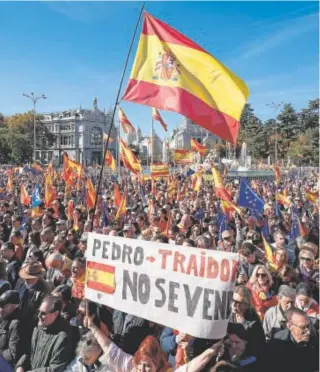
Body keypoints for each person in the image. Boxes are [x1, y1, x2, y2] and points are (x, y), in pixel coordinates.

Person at [15, 295, 73, 372]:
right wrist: (20, 366)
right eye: (39, 311)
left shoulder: (64, 337)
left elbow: (55, 368)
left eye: (43, 313)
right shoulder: (38, 327)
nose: (39, 316)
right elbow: (29, 352)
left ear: (55, 313)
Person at [266, 308, 319, 372]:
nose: (308, 332)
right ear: (289, 326)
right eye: (302, 327)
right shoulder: (276, 344)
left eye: (308, 326)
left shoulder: (315, 341)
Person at [0, 290, 23, 367]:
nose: (0, 309)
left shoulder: (16, 324)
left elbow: (12, 355)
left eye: (3, 306)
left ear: (12, 307)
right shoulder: (3, 317)